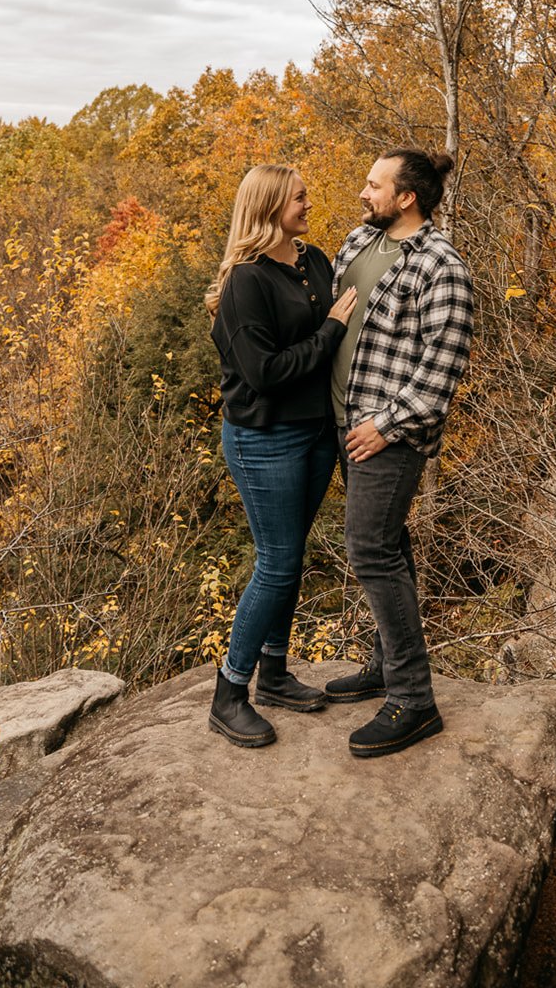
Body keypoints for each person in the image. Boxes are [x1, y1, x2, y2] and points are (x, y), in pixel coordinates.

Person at [324, 149, 474, 757]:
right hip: (341, 423)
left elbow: (444, 366)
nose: (363, 194)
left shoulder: (442, 266)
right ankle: (386, 664)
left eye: (373, 185)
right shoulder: (359, 242)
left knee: (369, 549)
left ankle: (414, 699)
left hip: (387, 434)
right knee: (391, 543)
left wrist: (385, 425)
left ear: (406, 196)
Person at [205, 164, 357, 748]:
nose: (309, 202)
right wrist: (329, 333)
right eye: (299, 196)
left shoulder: (314, 261)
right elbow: (264, 374)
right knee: (276, 561)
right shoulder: (247, 281)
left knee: (290, 557)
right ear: (270, 205)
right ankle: (229, 692)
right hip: (264, 437)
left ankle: (274, 673)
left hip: (316, 433)